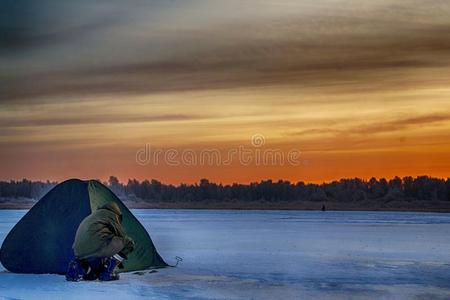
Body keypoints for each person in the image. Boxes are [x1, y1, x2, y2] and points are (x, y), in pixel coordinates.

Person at [66, 202, 135, 281]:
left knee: (95, 273)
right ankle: (107, 272)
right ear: (117, 213)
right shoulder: (111, 215)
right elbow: (122, 235)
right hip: (96, 247)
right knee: (128, 243)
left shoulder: (94, 215)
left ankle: (79, 267)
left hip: (79, 252)